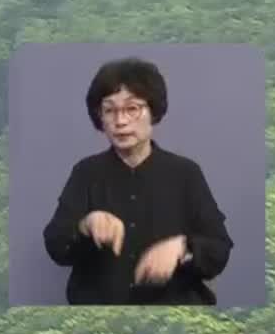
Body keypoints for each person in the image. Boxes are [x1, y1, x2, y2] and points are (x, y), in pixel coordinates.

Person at [42, 57, 232, 304]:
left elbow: (219, 249)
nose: (120, 121)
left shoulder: (185, 173)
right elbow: (56, 246)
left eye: (132, 108)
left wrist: (183, 247)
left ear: (153, 111)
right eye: (109, 110)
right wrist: (85, 225)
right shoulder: (85, 173)